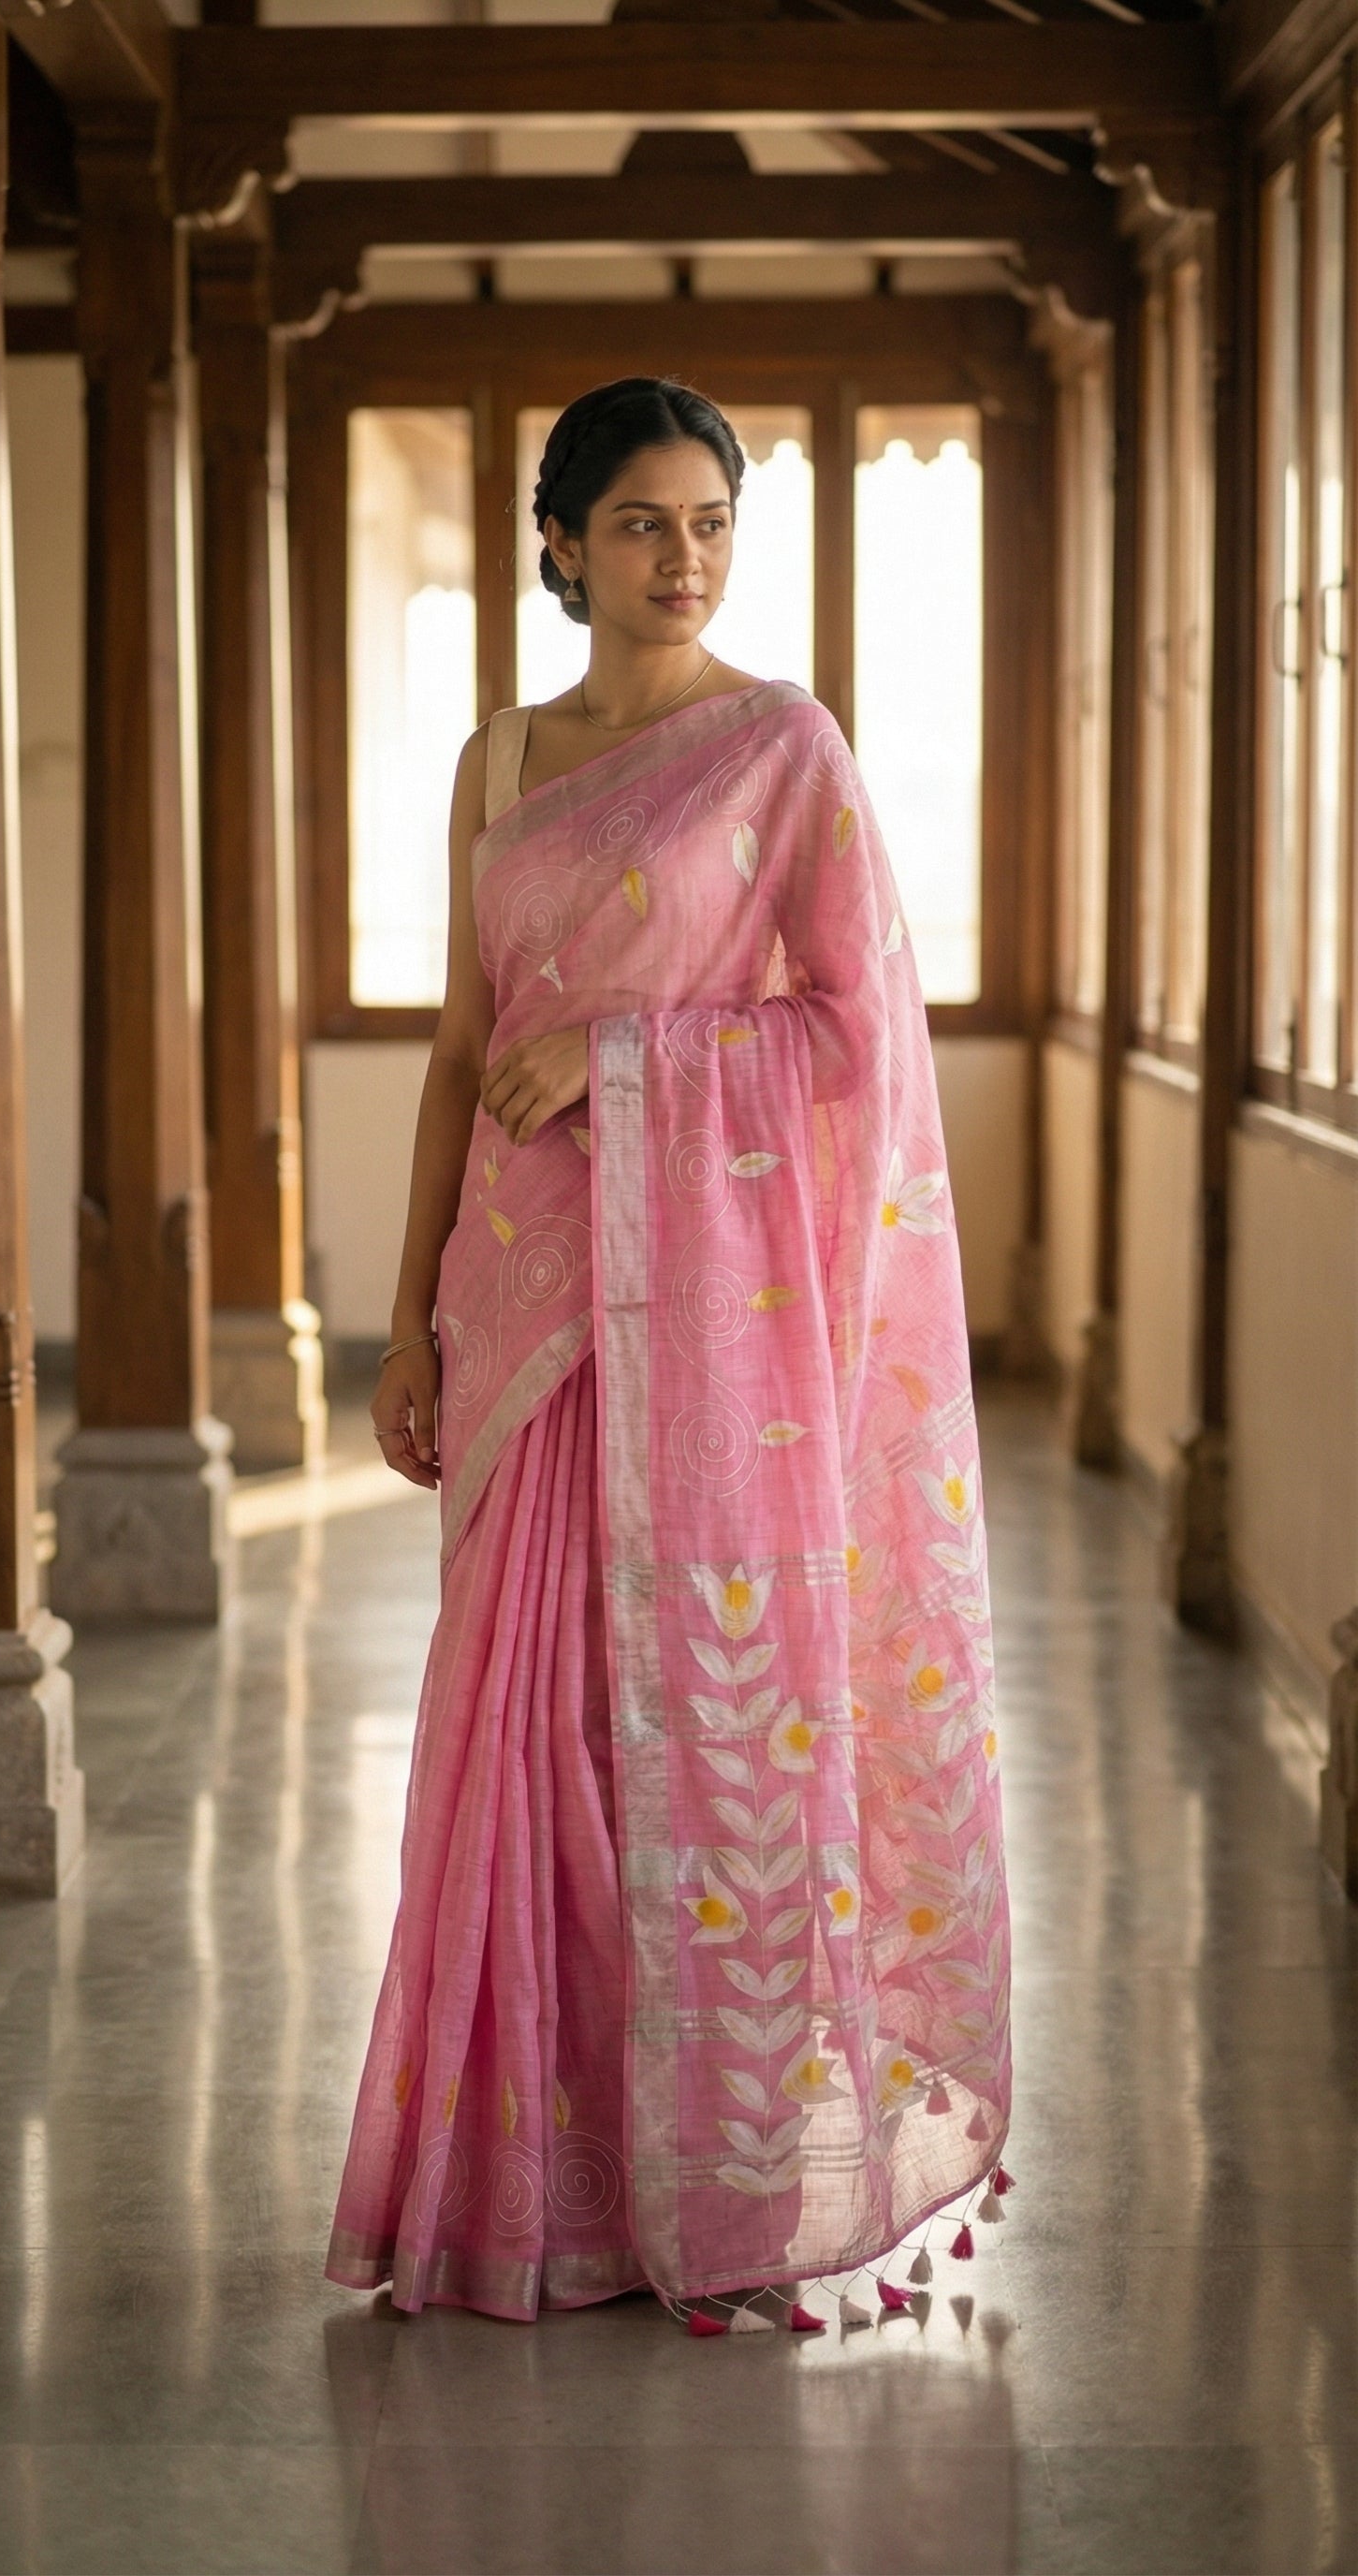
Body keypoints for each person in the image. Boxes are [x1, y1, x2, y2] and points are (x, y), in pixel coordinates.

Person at [324, 377, 1013, 2334]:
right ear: (560, 542)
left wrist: (626, 1065)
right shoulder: (499, 760)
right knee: (515, 1733)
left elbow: (860, 1040)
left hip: (717, 1342)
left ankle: (698, 2177)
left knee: (688, 1730)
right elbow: (464, 1056)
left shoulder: (786, 750)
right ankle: (526, 2188)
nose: (682, 552)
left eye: (708, 518)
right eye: (639, 520)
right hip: (521, 1302)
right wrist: (404, 1321)